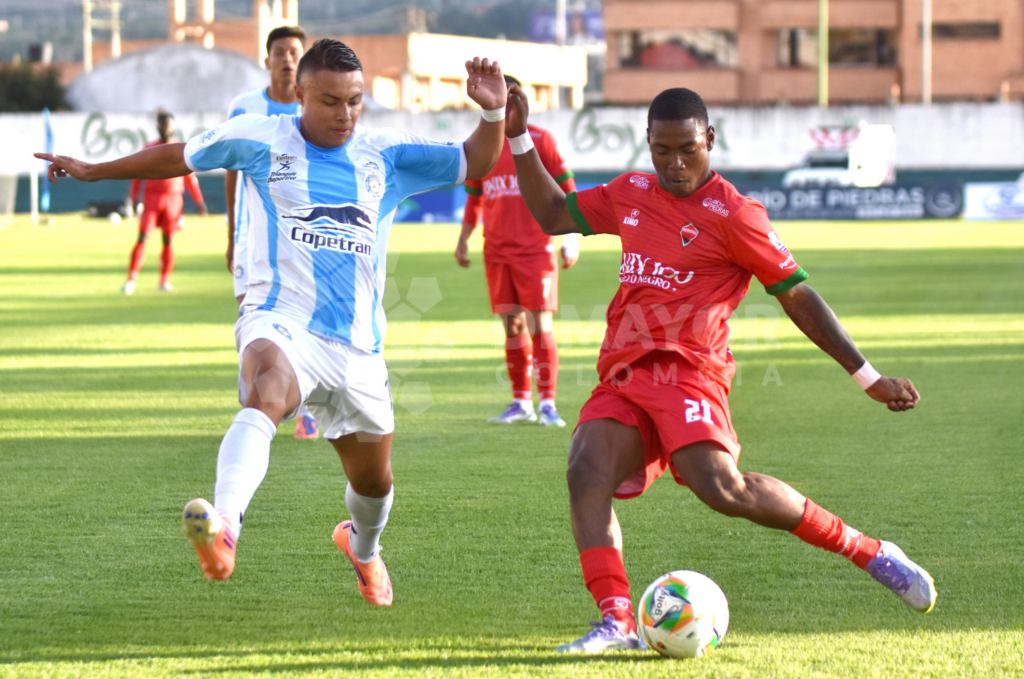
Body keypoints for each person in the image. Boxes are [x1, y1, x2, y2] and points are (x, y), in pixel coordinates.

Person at [38, 39, 509, 606]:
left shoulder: (387, 154)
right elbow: (182, 155)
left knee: (374, 484)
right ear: (300, 96)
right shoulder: (261, 138)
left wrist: (492, 112)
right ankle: (224, 529)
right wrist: (93, 171)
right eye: (330, 101)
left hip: (359, 346)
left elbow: (475, 160)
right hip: (280, 318)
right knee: (268, 390)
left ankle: (362, 549)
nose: (345, 114)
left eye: (354, 101)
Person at [506, 86, 936, 653]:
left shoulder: (735, 214)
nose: (675, 164)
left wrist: (869, 377)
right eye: (662, 150)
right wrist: (516, 133)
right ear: (648, 143)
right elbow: (553, 213)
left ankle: (869, 551)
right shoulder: (630, 192)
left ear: (709, 139)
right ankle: (617, 620)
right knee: (585, 470)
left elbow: (797, 295)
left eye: (689, 149)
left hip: (690, 371)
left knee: (722, 488)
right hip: (626, 373)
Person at [455, 74, 579, 427]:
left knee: (539, 324)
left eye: (510, 98)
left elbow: (569, 188)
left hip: (536, 249)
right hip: (496, 251)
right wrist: (464, 238)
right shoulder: (481, 146)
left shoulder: (540, 140)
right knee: (512, 326)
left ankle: (548, 404)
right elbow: (475, 199)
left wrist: (571, 238)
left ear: (521, 100)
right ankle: (521, 401)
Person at [225, 26, 319, 440]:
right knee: (252, 316)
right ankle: (257, 397)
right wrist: (231, 232)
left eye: (294, 52)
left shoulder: (313, 109)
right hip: (251, 236)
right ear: (267, 59)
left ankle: (306, 410)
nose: (287, 59)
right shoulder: (244, 109)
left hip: (301, 236)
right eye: (279, 52)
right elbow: (230, 167)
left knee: (304, 316)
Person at [122, 111, 207, 294]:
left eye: (169, 125)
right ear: (158, 126)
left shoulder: (180, 149)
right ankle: (131, 279)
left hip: (173, 200)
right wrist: (134, 198)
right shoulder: (149, 148)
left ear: (173, 127)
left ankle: (164, 280)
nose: (166, 128)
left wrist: (199, 201)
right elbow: (137, 174)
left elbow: (190, 178)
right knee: (143, 237)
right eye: (163, 124)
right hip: (152, 198)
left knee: (168, 240)